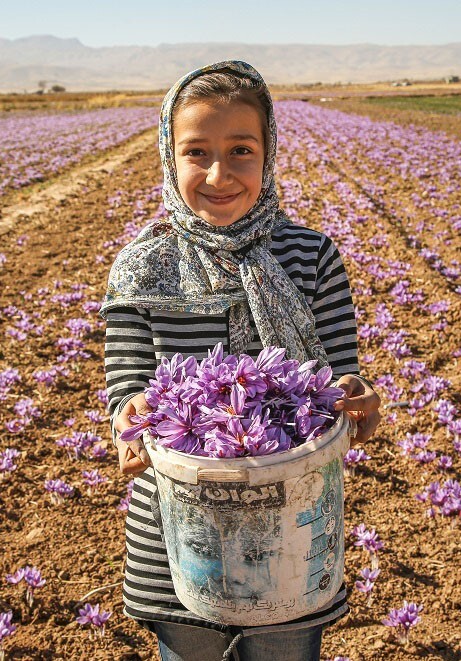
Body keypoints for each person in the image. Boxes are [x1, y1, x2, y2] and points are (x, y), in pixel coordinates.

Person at [100, 60, 381, 661]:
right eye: (196, 152)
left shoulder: (312, 256)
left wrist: (356, 398)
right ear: (168, 157)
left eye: (241, 151)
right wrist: (132, 414)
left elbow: (336, 374)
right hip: (179, 523)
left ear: (269, 152)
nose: (219, 174)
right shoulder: (141, 267)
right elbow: (125, 381)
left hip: (292, 523)